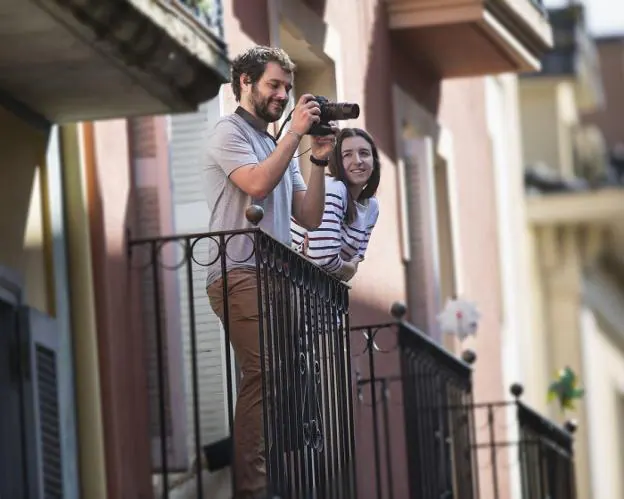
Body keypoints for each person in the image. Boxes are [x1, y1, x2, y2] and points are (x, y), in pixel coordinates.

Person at [203, 45, 337, 499]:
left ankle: (270, 481)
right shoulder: (228, 131)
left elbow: (310, 214)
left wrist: (317, 157)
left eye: (287, 87)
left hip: (278, 276)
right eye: (273, 85)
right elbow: (257, 184)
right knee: (261, 373)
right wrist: (292, 137)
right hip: (239, 271)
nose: (283, 95)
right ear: (245, 82)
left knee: (280, 381)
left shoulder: (275, 141)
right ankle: (253, 490)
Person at [291, 128, 380, 282]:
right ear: (337, 161)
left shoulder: (372, 207)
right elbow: (324, 259)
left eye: (364, 153)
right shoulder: (332, 188)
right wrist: (347, 268)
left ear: (374, 161)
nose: (358, 161)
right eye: (347, 155)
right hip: (290, 280)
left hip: (318, 292)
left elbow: (355, 262)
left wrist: (345, 268)